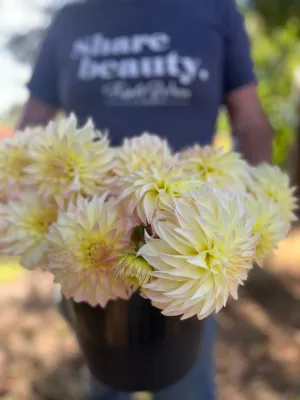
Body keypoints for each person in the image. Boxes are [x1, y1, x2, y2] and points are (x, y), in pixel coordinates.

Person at [17, 0, 273, 399]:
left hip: (187, 236)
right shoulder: (70, 19)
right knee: (105, 377)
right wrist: (12, 183)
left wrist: (260, 201)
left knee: (183, 381)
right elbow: (32, 124)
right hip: (84, 229)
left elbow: (250, 119)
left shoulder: (213, 9)